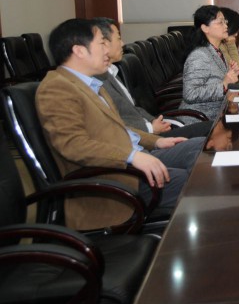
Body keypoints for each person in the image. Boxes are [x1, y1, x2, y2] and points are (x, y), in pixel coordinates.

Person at [35, 18, 204, 230]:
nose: (107, 50)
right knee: (196, 181)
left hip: (133, 158)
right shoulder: (56, 88)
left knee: (199, 146)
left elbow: (116, 127)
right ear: (79, 50)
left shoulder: (91, 83)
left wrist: (155, 141)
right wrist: (131, 156)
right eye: (101, 43)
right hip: (112, 177)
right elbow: (73, 145)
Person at [92, 17, 212, 139]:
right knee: (211, 129)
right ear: (103, 43)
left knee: (212, 128)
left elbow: (133, 109)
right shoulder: (97, 81)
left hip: (149, 127)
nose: (122, 44)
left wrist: (153, 121)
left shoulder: (112, 71)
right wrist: (150, 127)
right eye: (118, 38)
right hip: (143, 138)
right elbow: (115, 122)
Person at [180, 5, 239, 122]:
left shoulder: (216, 51)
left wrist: (232, 73)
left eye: (225, 22)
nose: (226, 26)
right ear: (205, 28)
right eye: (220, 22)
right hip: (199, 119)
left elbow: (215, 79)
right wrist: (223, 85)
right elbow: (190, 94)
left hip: (217, 114)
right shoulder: (199, 56)